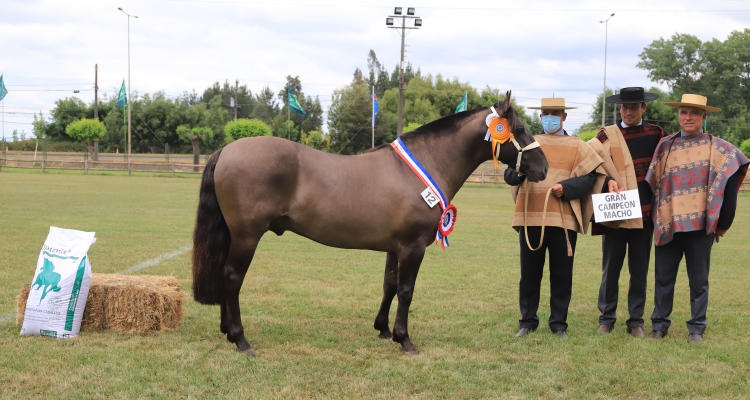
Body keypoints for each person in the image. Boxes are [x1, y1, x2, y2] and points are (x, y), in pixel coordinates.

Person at [645, 94, 749, 344]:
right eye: (683, 112)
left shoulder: (719, 148)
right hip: (668, 224)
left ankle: (696, 329)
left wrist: (722, 224)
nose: (688, 117)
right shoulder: (665, 146)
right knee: (663, 278)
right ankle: (659, 326)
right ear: (678, 115)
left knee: (699, 281)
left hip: (700, 227)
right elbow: (653, 184)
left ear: (704, 117)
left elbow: (731, 184)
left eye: (694, 113)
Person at [505, 98, 604, 339]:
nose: (550, 117)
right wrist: (519, 172)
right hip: (532, 218)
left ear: (564, 117)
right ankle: (527, 321)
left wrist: (567, 187)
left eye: (555, 113)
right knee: (529, 274)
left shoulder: (578, 145)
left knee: (562, 274)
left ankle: (559, 323)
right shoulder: (528, 143)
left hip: (563, 220)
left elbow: (591, 178)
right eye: (546, 113)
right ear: (540, 117)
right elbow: (509, 175)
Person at [587, 87, 667, 338]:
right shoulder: (605, 136)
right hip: (615, 210)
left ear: (644, 107)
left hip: (644, 214)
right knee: (610, 268)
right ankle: (606, 317)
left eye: (634, 106)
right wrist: (609, 179)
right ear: (619, 109)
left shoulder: (657, 134)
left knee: (639, 270)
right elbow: (590, 163)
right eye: (624, 107)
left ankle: (635, 321)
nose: (629, 111)